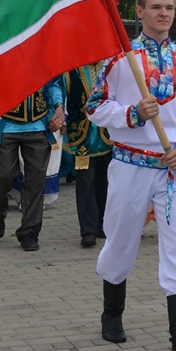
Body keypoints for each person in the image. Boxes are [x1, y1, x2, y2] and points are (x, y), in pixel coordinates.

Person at [86, 0, 176, 351]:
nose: (164, 14)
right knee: (121, 238)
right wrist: (131, 113)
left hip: (172, 170)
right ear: (139, 12)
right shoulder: (120, 58)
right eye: (156, 7)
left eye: (169, 7)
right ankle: (112, 314)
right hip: (129, 166)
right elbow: (94, 108)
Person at [0, 79, 65, 251]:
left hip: (38, 125)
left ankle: (29, 232)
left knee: (36, 181)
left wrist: (59, 108)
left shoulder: (41, 56)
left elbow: (52, 83)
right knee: (3, 174)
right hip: (5, 125)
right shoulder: (1, 52)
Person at [65, 61, 113, 248]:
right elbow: (60, 90)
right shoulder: (72, 68)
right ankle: (88, 230)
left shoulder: (109, 67)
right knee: (84, 183)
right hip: (81, 138)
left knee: (105, 181)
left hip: (106, 135)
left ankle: (102, 223)